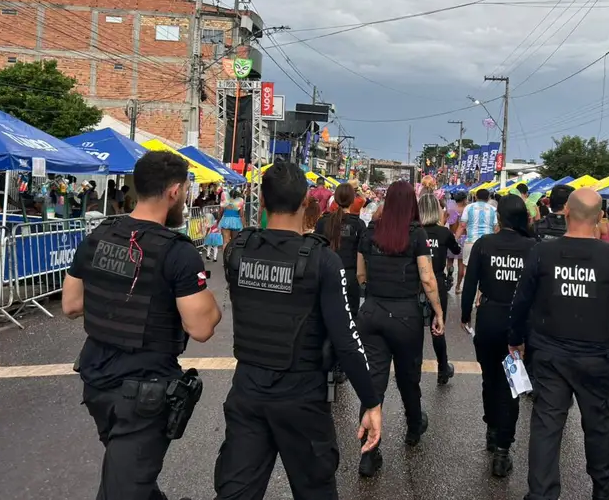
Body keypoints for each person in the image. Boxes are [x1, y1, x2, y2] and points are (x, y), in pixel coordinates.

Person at [215, 161, 382, 499]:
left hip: (248, 391)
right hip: (302, 398)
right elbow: (346, 340)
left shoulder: (238, 251)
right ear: (306, 201)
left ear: (262, 201)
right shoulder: (322, 260)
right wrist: (371, 402)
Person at [61, 151, 222, 500]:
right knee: (125, 486)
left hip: (97, 382)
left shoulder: (100, 235)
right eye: (186, 190)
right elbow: (201, 328)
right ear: (174, 191)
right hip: (144, 392)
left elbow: (71, 305)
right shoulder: (177, 252)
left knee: (129, 478)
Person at [509, 188, 609, 500]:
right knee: (599, 422)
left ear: (567, 212)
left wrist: (515, 340)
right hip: (597, 356)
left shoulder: (541, 253)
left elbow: (520, 303)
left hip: (549, 354)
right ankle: (603, 481)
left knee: (547, 424)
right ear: (599, 218)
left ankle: (541, 493)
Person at [355, 181, 445, 477]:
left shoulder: (370, 231)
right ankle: (414, 426)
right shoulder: (416, 233)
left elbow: (361, 274)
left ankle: (369, 452)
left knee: (373, 382)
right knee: (409, 376)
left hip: (372, 312)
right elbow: (427, 278)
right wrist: (438, 312)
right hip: (406, 315)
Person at [461, 195, 536, 477]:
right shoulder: (532, 247)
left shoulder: (484, 245)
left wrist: (465, 315)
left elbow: (470, 284)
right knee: (511, 386)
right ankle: (503, 450)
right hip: (517, 324)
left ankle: (492, 430)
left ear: (499, 218)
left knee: (490, 378)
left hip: (489, 320)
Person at [418, 193, 460, 385]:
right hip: (437, 281)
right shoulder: (444, 233)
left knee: (414, 328)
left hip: (417, 282)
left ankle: (411, 368)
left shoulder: (415, 231)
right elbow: (456, 249)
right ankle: (443, 368)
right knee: (438, 327)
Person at [315, 183, 367, 323]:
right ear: (352, 200)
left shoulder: (323, 222)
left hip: (326, 274)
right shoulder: (358, 225)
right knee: (350, 320)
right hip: (350, 277)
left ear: (335, 199)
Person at [456, 188, 499, 294]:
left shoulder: (468, 207)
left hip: (471, 242)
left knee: (467, 268)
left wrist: (455, 239)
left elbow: (462, 225)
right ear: (488, 198)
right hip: (488, 243)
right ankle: (479, 298)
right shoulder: (493, 209)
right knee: (485, 270)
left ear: (476, 197)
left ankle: (468, 291)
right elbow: (496, 228)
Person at [445, 192, 466, 292]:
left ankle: (449, 275)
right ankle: (458, 287)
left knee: (450, 261)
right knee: (461, 264)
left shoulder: (451, 209)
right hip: (463, 238)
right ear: (464, 200)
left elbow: (445, 221)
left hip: (451, 236)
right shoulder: (466, 210)